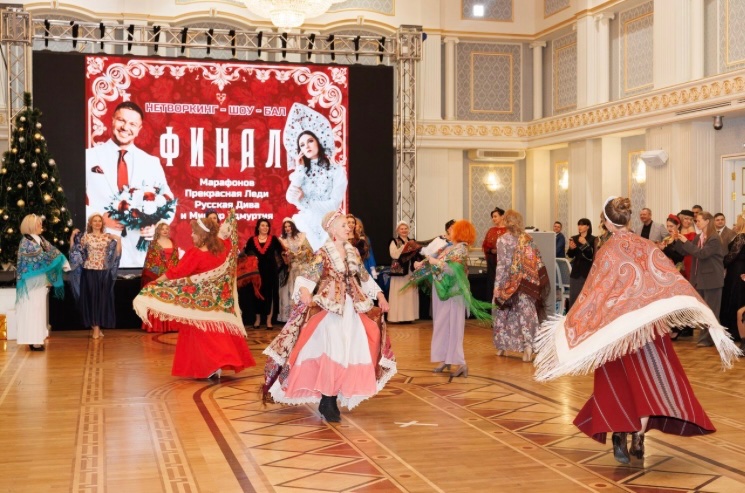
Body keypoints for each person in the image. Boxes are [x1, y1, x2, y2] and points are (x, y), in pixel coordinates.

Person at [534, 196, 741, 465]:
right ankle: (638, 437)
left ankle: (620, 435)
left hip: (616, 333)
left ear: (607, 222)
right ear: (627, 219)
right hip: (648, 330)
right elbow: (669, 279)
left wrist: (573, 322)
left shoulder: (607, 251)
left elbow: (595, 294)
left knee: (617, 383)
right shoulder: (646, 246)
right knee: (650, 381)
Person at [262, 210, 396, 422]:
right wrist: (305, 291)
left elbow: (363, 277)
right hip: (330, 307)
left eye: (348, 225)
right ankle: (328, 399)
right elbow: (309, 274)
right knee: (333, 350)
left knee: (348, 350)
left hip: (351, 307)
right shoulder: (323, 252)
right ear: (332, 230)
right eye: (343, 225)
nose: (348, 228)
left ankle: (332, 396)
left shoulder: (353, 252)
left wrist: (380, 295)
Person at [134, 213, 255, 379]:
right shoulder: (222, 249)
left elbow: (175, 272)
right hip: (218, 306)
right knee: (218, 335)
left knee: (202, 338)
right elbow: (229, 239)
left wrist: (156, 282)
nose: (191, 235)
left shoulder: (195, 253)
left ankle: (210, 366)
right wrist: (227, 225)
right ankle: (217, 364)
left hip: (198, 307)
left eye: (195, 233)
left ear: (203, 235)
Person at [86, 101, 173, 267]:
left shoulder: (151, 162)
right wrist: (99, 218)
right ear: (112, 120)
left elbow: (168, 200)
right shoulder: (89, 156)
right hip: (99, 245)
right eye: (121, 120)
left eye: (132, 124)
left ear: (139, 129)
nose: (125, 127)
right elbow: (72, 199)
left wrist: (156, 226)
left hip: (139, 251)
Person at [408, 220, 492, 380]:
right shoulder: (449, 247)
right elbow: (433, 260)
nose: (450, 231)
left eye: (454, 229)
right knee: (442, 326)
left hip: (453, 294)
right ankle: (445, 359)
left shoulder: (461, 249)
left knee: (454, 327)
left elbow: (454, 270)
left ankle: (461, 363)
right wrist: (422, 264)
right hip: (442, 292)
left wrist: (436, 262)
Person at [492, 210, 549, 363]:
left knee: (505, 313)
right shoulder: (528, 239)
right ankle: (529, 348)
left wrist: (498, 287)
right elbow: (536, 261)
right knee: (527, 315)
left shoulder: (502, 240)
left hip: (509, 284)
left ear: (506, 222)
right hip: (526, 283)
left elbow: (502, 266)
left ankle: (503, 346)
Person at [286, 130, 347, 251]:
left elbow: (334, 204)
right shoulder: (302, 172)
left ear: (319, 142)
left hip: (328, 223)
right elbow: (290, 197)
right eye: (302, 145)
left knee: (330, 258)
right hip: (306, 224)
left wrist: (305, 200)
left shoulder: (336, 170)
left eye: (310, 141)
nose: (307, 146)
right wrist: (299, 169)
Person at [670, 211, 725, 347]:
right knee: (704, 311)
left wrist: (685, 241)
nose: (696, 223)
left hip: (712, 279)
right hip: (700, 279)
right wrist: (677, 240)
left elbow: (702, 253)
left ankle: (708, 339)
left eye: (698, 220)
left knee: (711, 311)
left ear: (707, 221)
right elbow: (685, 251)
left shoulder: (714, 238)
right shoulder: (699, 237)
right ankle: (712, 339)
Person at [15, 214, 69, 351]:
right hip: (31, 282)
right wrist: (58, 261)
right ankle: (32, 340)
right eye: (38, 224)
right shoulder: (26, 241)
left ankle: (37, 338)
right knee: (32, 309)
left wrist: (63, 261)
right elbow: (41, 257)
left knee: (39, 309)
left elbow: (53, 252)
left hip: (40, 281)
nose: (41, 226)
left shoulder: (41, 239)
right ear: (31, 225)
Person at [69, 213, 122, 340]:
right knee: (92, 300)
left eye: (99, 221)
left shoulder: (107, 237)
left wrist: (119, 240)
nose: (97, 223)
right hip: (89, 272)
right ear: (90, 223)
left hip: (103, 273)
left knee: (102, 300)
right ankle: (96, 328)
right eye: (95, 221)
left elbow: (117, 254)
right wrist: (72, 237)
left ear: (102, 223)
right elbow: (74, 252)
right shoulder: (86, 237)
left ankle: (97, 326)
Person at [244, 218, 284, 329]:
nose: (265, 227)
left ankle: (268, 321)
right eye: (262, 225)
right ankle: (257, 320)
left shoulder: (274, 239)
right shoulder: (251, 240)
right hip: (256, 273)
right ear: (258, 227)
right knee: (256, 296)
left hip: (271, 272)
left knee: (270, 296)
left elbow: (281, 253)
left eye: (267, 225)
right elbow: (246, 254)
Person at [277, 218, 313, 323]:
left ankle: (303, 315)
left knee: (302, 291)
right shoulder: (282, 240)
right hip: (290, 269)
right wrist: (286, 257)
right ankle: (289, 317)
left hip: (302, 268)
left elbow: (309, 251)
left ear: (293, 226)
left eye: (289, 226)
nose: (287, 228)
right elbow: (280, 255)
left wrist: (299, 255)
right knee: (289, 292)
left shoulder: (302, 237)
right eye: (285, 227)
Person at [388, 221, 422, 323]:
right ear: (397, 231)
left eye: (406, 228)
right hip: (399, 272)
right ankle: (397, 318)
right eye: (401, 229)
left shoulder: (412, 242)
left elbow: (418, 255)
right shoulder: (394, 241)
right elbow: (394, 255)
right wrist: (405, 246)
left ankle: (409, 317)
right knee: (399, 294)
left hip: (410, 271)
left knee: (409, 294)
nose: (404, 230)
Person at [719, 213, 745, 342]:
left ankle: (734, 331)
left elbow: (732, 255)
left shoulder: (741, 237)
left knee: (734, 298)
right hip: (740, 270)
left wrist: (720, 263)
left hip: (736, 271)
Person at [566, 218, 595, 310]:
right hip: (576, 271)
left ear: (588, 226)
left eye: (582, 225)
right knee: (574, 297)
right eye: (579, 224)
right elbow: (570, 255)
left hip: (588, 271)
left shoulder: (593, 239)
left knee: (587, 299)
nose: (580, 227)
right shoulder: (574, 238)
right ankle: (571, 316)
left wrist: (585, 244)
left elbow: (591, 256)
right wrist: (571, 248)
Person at [141, 222, 179, 287]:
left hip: (171, 273)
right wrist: (162, 270)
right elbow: (150, 260)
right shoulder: (154, 244)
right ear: (158, 231)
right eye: (162, 229)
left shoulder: (173, 242)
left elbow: (176, 258)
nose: (165, 231)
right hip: (157, 274)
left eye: (166, 229)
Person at [481, 207, 507, 295]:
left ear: (502, 216)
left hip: (505, 264)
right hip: (492, 263)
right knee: (492, 283)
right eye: (492, 217)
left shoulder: (508, 230)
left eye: (495, 216)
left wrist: (500, 251)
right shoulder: (491, 230)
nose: (493, 219)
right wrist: (492, 251)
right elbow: (485, 246)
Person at [677, 209, 696, 279]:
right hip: (679, 257)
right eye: (686, 219)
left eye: (691, 219)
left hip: (689, 257)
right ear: (681, 218)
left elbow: (691, 246)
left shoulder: (691, 229)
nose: (689, 221)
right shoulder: (679, 228)